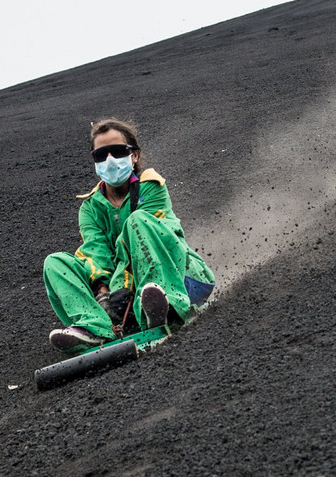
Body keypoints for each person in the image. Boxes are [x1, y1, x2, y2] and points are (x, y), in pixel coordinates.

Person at [42, 117, 216, 352]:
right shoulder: (90, 206)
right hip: (121, 301)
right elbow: (96, 249)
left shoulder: (151, 187)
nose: (110, 160)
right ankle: (96, 328)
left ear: (134, 155)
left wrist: (120, 286)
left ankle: (165, 307)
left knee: (137, 222)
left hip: (180, 277)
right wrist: (103, 293)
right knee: (54, 262)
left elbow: (148, 238)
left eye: (117, 151)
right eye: (101, 155)